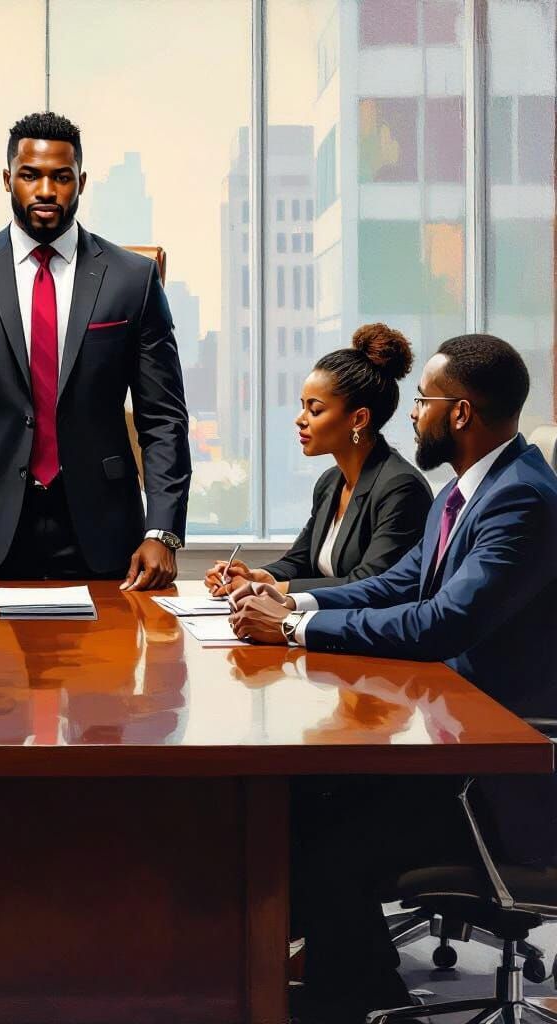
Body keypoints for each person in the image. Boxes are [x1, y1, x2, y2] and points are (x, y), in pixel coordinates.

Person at [226, 335, 557, 1023]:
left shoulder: (521, 500)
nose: (411, 415)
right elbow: (402, 583)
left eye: (423, 402)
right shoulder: (466, 491)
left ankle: (352, 1000)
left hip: (495, 776)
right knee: (297, 803)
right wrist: (298, 604)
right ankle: (340, 988)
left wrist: (293, 630)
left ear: (460, 413)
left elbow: (441, 623)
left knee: (318, 840)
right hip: (452, 739)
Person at [0, 111, 191, 591]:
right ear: (8, 178)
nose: (46, 191)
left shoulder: (133, 280)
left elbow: (163, 418)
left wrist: (163, 531)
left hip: (106, 531)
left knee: (107, 667)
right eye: (31, 176)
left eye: (61, 176)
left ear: (82, 182)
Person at [206, 323, 431, 596]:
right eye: (303, 406)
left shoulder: (401, 488)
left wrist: (269, 589)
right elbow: (299, 561)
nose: (300, 420)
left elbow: (369, 583)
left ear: (358, 419)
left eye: (315, 410)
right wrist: (257, 575)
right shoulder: (331, 482)